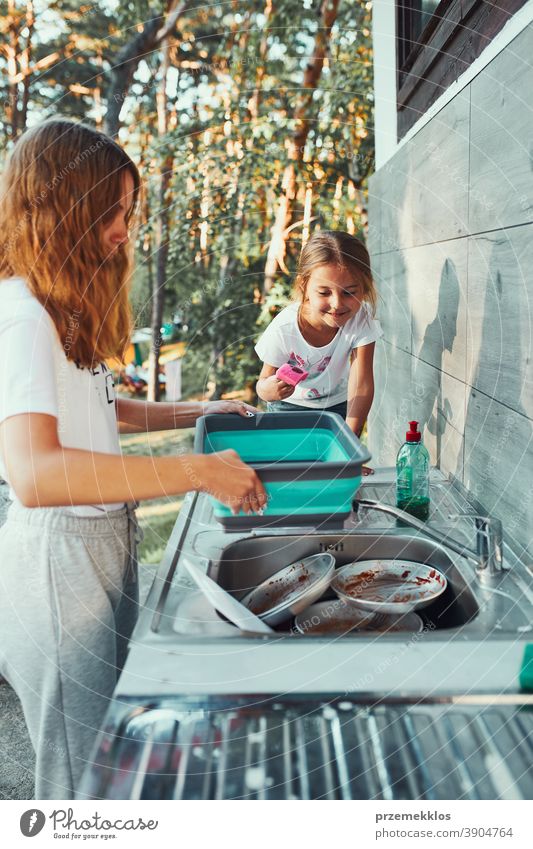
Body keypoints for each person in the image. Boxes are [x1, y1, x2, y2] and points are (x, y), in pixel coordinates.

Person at [0, 119, 266, 800]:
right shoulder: (20, 315)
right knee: (77, 777)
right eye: (111, 211)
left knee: (110, 749)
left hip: (100, 542)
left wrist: (200, 412)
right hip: (58, 561)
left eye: (126, 212)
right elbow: (35, 474)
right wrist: (194, 470)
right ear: (64, 207)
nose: (123, 230)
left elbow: (102, 411)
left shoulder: (58, 308)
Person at [255, 230, 382, 472]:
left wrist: (348, 450)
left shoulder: (361, 318)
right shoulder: (284, 328)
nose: (337, 304)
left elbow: (362, 384)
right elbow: (262, 385)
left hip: (338, 406)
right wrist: (269, 390)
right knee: (294, 471)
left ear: (364, 288)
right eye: (324, 293)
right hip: (288, 408)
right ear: (305, 286)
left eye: (350, 292)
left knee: (333, 471)